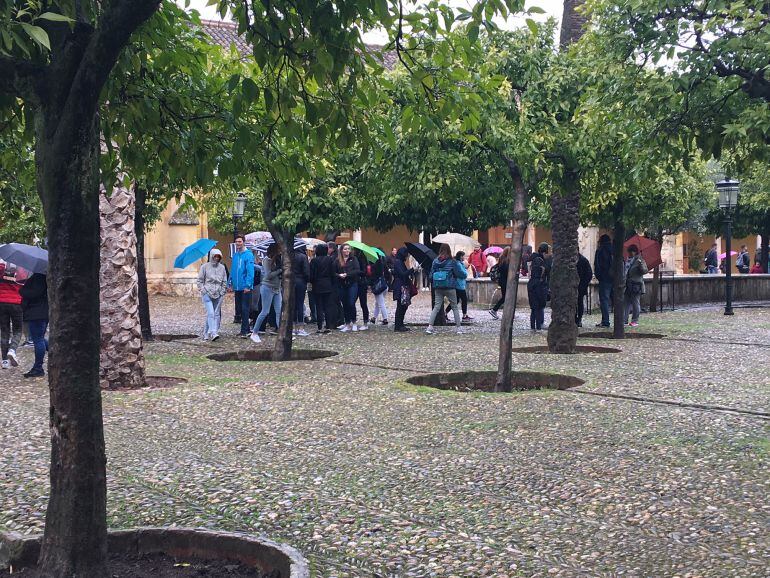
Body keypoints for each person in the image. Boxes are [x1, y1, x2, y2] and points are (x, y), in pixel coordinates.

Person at [426, 244, 466, 334]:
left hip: (438, 287)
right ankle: (458, 328)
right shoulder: (452, 261)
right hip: (450, 286)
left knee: (436, 307)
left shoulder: (435, 261)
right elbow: (459, 273)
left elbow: (431, 274)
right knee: (454, 307)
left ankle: (430, 327)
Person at [251, 245, 283, 343]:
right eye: (279, 250)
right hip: (267, 288)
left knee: (279, 311)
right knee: (265, 311)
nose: (280, 252)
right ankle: (255, 333)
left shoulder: (278, 260)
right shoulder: (266, 260)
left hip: (277, 288)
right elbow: (268, 276)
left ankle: (282, 334)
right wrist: (280, 270)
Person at [19, 272, 48, 378]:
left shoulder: (39, 277)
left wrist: (22, 290)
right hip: (41, 311)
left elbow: (34, 293)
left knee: (38, 340)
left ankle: (38, 368)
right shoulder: (46, 276)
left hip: (37, 311)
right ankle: (60, 353)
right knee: (39, 338)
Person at [197, 249, 228, 341]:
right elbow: (200, 280)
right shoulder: (204, 267)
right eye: (215, 256)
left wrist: (222, 291)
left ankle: (206, 332)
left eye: (218, 256)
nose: (217, 258)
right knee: (211, 313)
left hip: (218, 293)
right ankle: (213, 332)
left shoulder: (222, 267)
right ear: (211, 256)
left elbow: (224, 281)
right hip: (207, 293)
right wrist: (203, 290)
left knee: (215, 313)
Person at [229, 234, 255, 337]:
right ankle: (246, 329)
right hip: (237, 286)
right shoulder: (235, 255)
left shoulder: (248, 255)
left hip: (245, 286)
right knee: (239, 309)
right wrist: (230, 282)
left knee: (245, 308)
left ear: (243, 242)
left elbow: (250, 271)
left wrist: (248, 285)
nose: (238, 243)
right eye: (236, 242)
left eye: (239, 241)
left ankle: (245, 331)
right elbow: (233, 270)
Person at [334, 243, 361, 332]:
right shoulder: (337, 260)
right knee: (345, 304)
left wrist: (347, 274)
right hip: (342, 284)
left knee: (351, 303)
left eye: (348, 249)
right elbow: (333, 272)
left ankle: (354, 322)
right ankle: (347, 323)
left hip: (352, 283)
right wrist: (339, 275)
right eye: (345, 249)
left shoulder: (353, 259)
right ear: (341, 250)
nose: (347, 251)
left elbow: (357, 270)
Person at [0, 263, 23, 369]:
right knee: (18, 330)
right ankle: (12, 350)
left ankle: (4, 361)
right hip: (17, 303)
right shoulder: (22, 270)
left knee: (4, 331)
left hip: (1, 302)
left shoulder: (1, 268)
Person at [309, 243, 336, 333]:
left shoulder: (314, 261)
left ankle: (319, 326)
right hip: (328, 284)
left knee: (319, 306)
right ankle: (328, 326)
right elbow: (333, 273)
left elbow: (311, 275)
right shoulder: (330, 260)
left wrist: (313, 282)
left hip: (317, 285)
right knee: (328, 306)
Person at [624, 244, 648, 327]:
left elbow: (645, 271)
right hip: (627, 284)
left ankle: (635, 320)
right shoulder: (627, 260)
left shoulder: (640, 260)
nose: (630, 254)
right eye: (629, 252)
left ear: (635, 252)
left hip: (636, 285)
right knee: (626, 302)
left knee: (635, 303)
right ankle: (624, 320)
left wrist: (640, 264)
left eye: (631, 252)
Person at [392, 247, 415, 332]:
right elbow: (402, 274)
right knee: (400, 306)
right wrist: (412, 270)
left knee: (403, 306)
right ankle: (398, 325)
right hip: (400, 286)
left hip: (402, 286)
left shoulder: (400, 262)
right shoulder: (398, 262)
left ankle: (400, 324)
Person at [528, 243, 550, 331]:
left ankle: (535, 326)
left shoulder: (535, 259)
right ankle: (538, 326)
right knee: (538, 307)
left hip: (533, 285)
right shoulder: (539, 261)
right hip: (537, 286)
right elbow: (538, 274)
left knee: (535, 308)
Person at [593, 234, 613, 328]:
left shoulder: (600, 250)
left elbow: (597, 265)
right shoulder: (614, 249)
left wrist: (599, 276)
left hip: (604, 278)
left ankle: (605, 321)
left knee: (604, 300)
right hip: (615, 278)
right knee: (616, 300)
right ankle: (620, 320)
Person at [446, 251, 472, 321]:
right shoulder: (457, 264)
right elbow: (463, 274)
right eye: (464, 256)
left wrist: (465, 267)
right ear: (461, 256)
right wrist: (465, 271)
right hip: (459, 285)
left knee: (455, 301)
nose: (465, 257)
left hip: (458, 284)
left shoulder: (459, 263)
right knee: (464, 299)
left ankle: (445, 313)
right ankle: (464, 316)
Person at [487, 247, 510, 319]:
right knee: (506, 297)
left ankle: (508, 313)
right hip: (505, 281)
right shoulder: (506, 261)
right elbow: (507, 272)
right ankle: (494, 310)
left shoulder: (501, 259)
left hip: (502, 281)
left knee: (506, 297)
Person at [292, 247, 310, 337]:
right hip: (300, 281)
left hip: (290, 282)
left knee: (293, 305)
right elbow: (306, 271)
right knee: (300, 304)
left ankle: (293, 327)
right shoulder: (303, 256)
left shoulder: (288, 255)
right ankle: (301, 328)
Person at [369, 252, 389, 325]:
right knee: (378, 303)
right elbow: (387, 274)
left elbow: (372, 277)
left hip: (378, 286)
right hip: (384, 285)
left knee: (381, 303)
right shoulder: (383, 263)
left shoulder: (374, 265)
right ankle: (374, 318)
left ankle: (385, 318)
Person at [354, 249, 370, 330]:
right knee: (352, 302)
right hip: (357, 283)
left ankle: (365, 322)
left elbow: (364, 272)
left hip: (362, 283)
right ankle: (352, 321)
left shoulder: (362, 259)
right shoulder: (355, 258)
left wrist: (356, 271)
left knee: (363, 303)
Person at [576, 253, 593, 327]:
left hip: (581, 286)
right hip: (573, 286)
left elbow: (589, 274)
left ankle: (579, 319)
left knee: (579, 302)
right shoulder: (570, 260)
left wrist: (584, 284)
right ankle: (575, 319)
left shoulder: (583, 260)